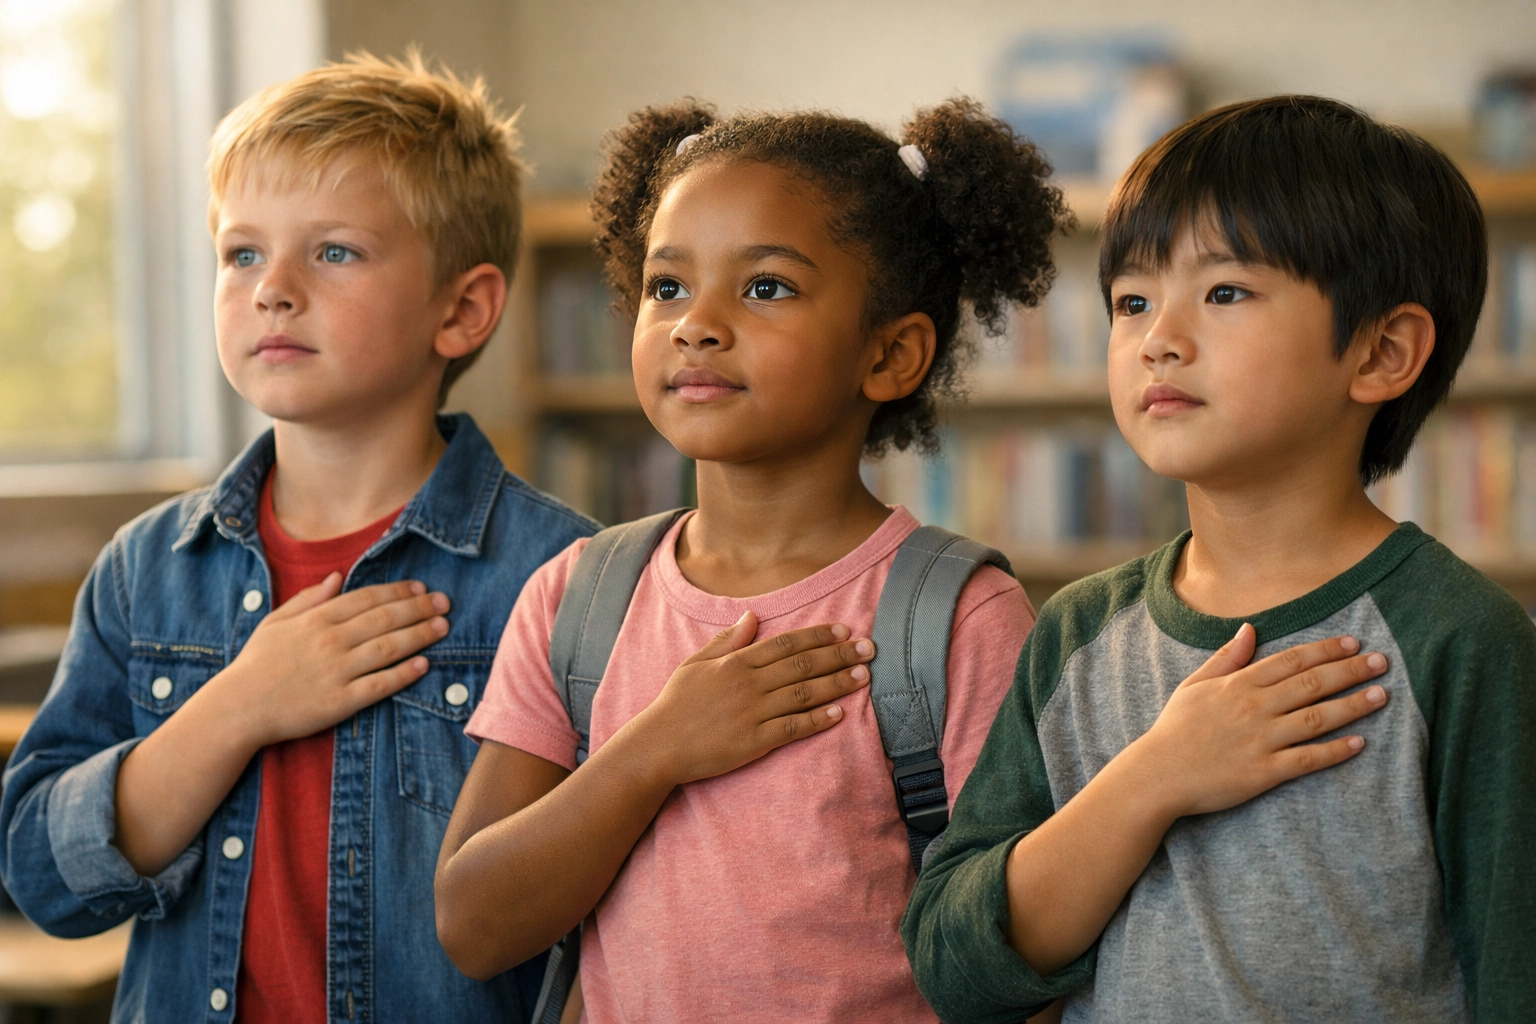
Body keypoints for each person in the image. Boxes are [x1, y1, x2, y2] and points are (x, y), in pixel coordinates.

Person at [902, 95, 1536, 1024]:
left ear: (1382, 352)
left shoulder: (1462, 637)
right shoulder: (1078, 631)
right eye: (1131, 300)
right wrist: (1155, 776)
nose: (1158, 336)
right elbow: (955, 968)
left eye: (1226, 291)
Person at [434, 99, 1070, 1023]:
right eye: (667, 287)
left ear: (892, 354)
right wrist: (654, 750)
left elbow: (1023, 963)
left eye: (765, 287)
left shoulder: (960, 616)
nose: (696, 324)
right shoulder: (576, 597)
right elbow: (474, 926)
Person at [0, 53, 595, 1023]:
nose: (272, 288)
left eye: (335, 252)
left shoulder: (568, 578)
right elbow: (45, 880)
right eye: (242, 253)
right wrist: (239, 704)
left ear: (463, 308)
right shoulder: (144, 572)